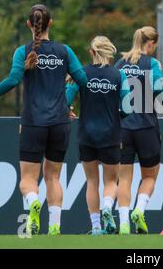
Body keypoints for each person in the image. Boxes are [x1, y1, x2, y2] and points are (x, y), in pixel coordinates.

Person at [0, 4, 88, 236]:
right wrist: (68, 103)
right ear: (50, 23)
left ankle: (33, 201)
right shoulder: (65, 51)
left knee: (28, 180)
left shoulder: (23, 51)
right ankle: (54, 227)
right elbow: (82, 80)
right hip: (60, 124)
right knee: (53, 177)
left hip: (34, 123)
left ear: (28, 24)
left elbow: (13, 80)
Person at [66, 36, 132, 235]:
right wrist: (117, 115)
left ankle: (95, 227)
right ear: (109, 53)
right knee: (111, 181)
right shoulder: (118, 76)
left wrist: (68, 109)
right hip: (111, 134)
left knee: (92, 181)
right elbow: (129, 106)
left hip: (86, 134)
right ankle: (107, 206)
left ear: (91, 52)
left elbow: (65, 99)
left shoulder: (82, 74)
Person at [115, 26, 163, 235]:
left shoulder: (120, 63)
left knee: (124, 178)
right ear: (151, 44)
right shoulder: (152, 63)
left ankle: (123, 223)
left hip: (123, 127)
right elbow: (158, 88)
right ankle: (139, 210)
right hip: (147, 126)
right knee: (149, 176)